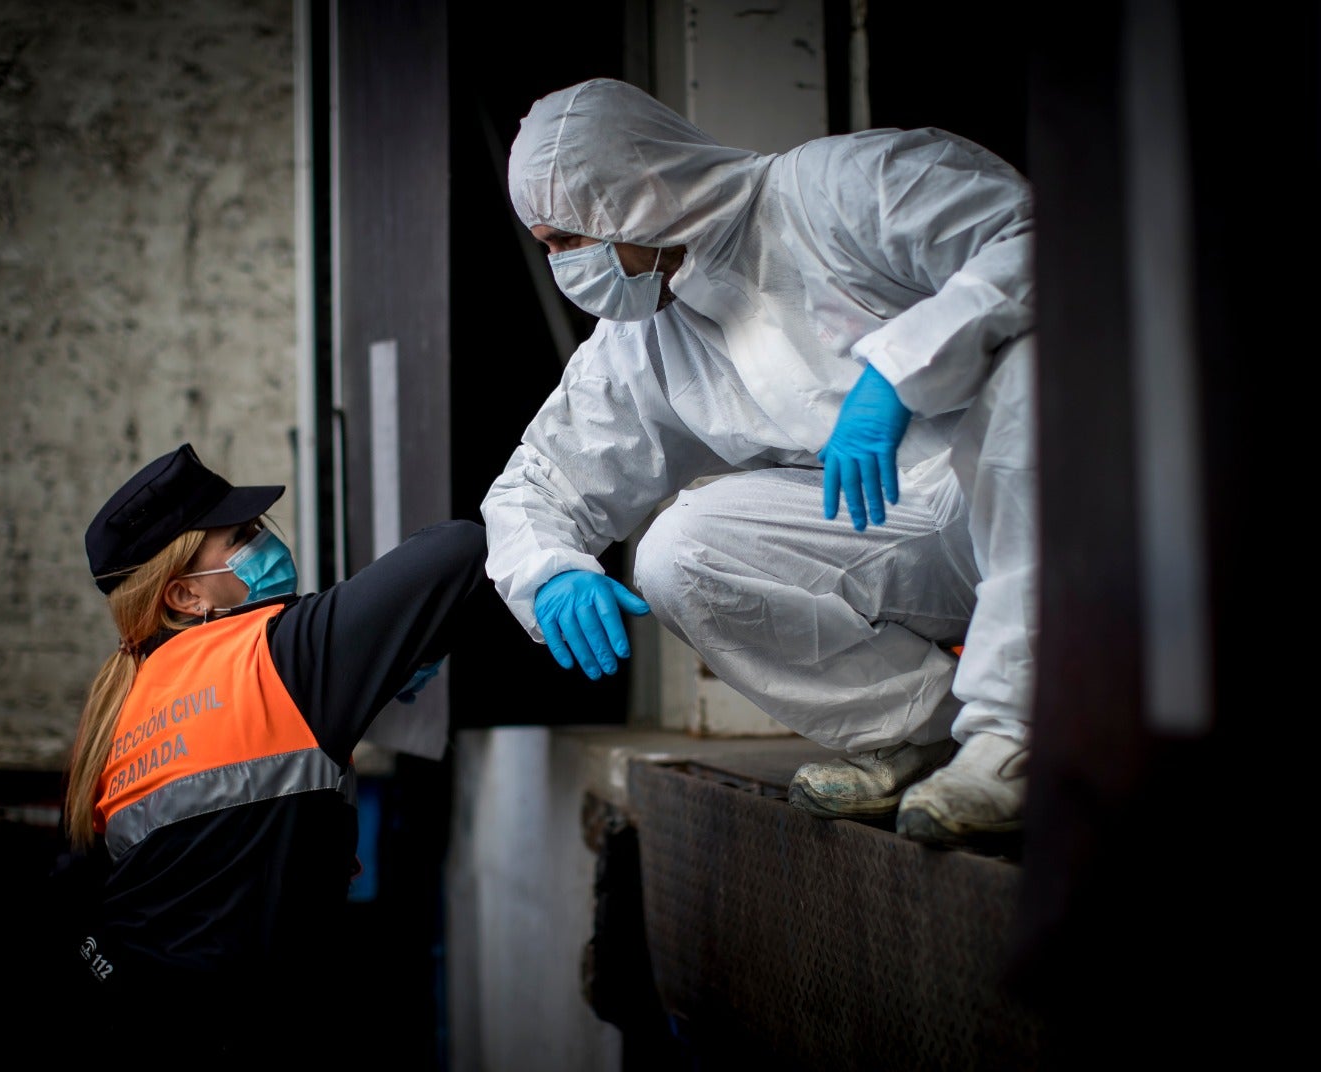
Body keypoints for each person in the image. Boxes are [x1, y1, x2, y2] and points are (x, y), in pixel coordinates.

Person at [480, 78, 1037, 852]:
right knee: (682, 551)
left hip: (1054, 507)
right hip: (913, 534)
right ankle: (916, 734)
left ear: (637, 195)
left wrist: (898, 371)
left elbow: (1035, 242)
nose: (562, 268)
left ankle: (1015, 735)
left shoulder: (840, 186)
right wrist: (549, 569)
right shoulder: (644, 336)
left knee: (1033, 369)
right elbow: (542, 479)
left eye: (567, 240)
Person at [52, 442, 493, 1042]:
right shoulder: (281, 652)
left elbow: (73, 895)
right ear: (185, 595)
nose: (265, 541)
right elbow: (461, 546)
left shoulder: (116, 707)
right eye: (241, 537)